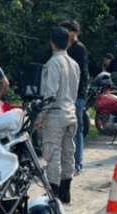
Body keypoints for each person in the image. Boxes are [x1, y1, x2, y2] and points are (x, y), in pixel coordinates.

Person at [34, 27, 79, 204]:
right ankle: (66, 192)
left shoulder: (53, 63)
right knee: (68, 153)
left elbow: (50, 94)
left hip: (56, 114)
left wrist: (41, 117)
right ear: (68, 42)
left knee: (53, 154)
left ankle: (53, 194)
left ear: (52, 43)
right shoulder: (73, 64)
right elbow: (75, 92)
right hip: (71, 112)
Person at [58, 20, 88, 175]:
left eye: (67, 31)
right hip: (63, 95)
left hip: (76, 95)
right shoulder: (62, 48)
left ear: (74, 32)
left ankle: (77, 163)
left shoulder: (78, 49)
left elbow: (81, 74)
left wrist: (74, 93)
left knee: (76, 130)